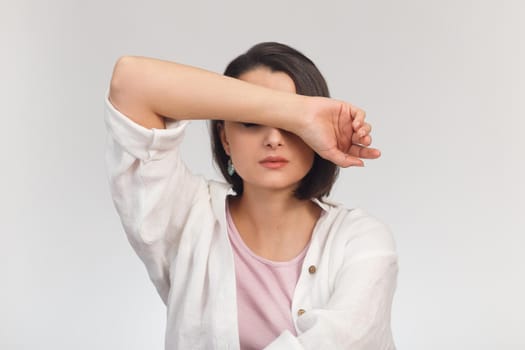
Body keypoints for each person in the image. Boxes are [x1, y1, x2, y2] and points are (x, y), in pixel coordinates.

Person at [104, 42, 398, 350]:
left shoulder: (362, 241)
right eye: (251, 123)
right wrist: (296, 111)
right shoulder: (186, 219)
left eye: (290, 127)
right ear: (225, 139)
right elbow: (130, 81)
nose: (273, 139)